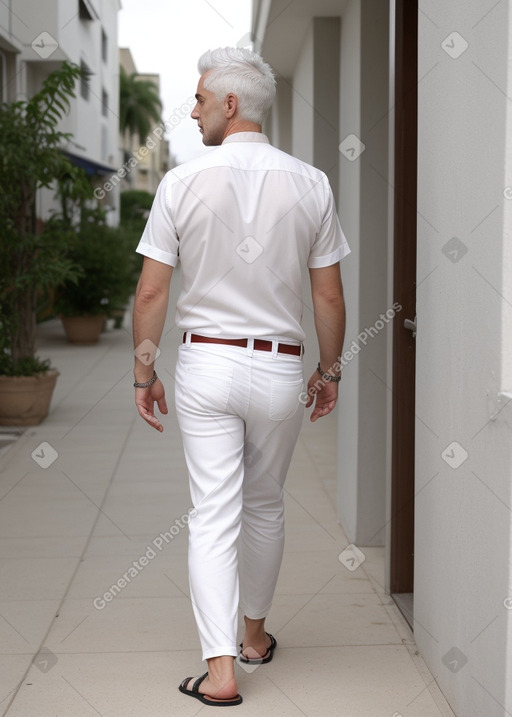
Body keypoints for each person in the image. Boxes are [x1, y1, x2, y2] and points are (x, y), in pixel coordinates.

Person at [132, 46, 350, 707]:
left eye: (199, 99)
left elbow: (150, 293)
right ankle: (254, 635)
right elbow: (330, 298)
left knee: (213, 514)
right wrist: (329, 369)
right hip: (281, 366)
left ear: (231, 104)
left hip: (206, 361)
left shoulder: (181, 183)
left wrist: (145, 372)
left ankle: (221, 670)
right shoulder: (310, 182)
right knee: (264, 503)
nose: (192, 110)